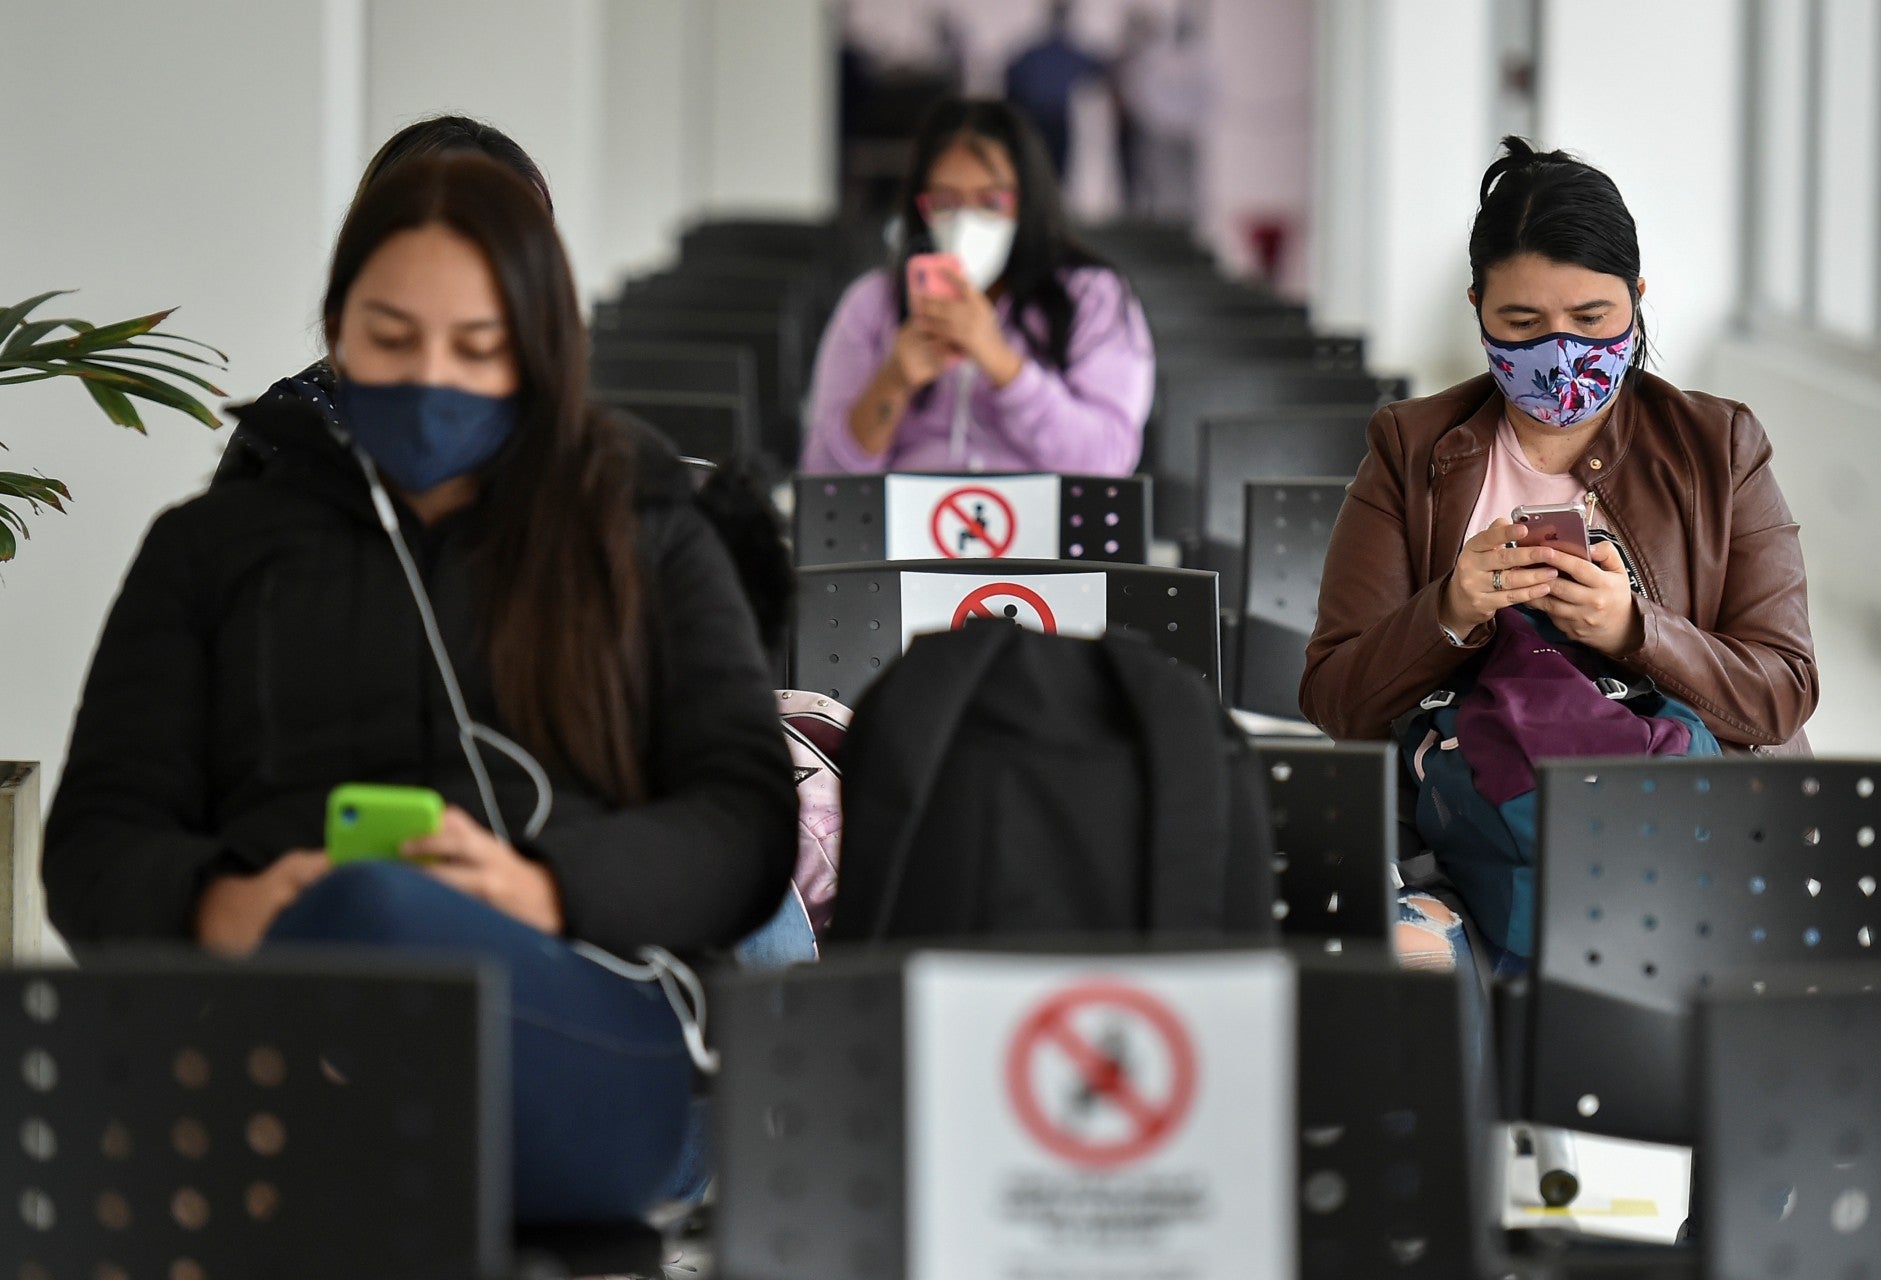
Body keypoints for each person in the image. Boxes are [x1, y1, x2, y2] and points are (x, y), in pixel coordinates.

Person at [43, 154, 796, 1222]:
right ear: (336, 331)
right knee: (339, 946)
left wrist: (540, 890)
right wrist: (224, 905)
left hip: (590, 1032)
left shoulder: (644, 531)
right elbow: (95, 840)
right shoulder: (210, 551)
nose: (429, 378)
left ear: (540, 346)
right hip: (278, 1017)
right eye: (392, 339)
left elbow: (744, 821)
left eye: (476, 346)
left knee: (372, 912)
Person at [1299, 137, 1817, 973]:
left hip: (1680, 836)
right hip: (1466, 842)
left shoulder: (1718, 448)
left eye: (1591, 319)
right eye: (1521, 324)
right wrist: (1449, 612)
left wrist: (1632, 630)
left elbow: (1781, 694)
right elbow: (1335, 699)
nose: (1560, 350)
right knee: (1404, 962)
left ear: (1636, 297)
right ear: (1476, 308)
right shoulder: (1411, 448)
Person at [801, 97, 1154, 477]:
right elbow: (824, 478)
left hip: (1042, 512)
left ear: (1027, 202)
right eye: (945, 201)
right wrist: (894, 380)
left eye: (991, 202)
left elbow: (1108, 461)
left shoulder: (1092, 298)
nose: (967, 222)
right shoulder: (872, 304)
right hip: (906, 512)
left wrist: (1000, 362)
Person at [1002, 0, 1106, 179]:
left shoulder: (1034, 53)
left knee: (1039, 167)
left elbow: (1011, 75)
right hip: (1050, 117)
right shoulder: (1063, 53)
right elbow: (1098, 67)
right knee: (1052, 169)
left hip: (1041, 116)